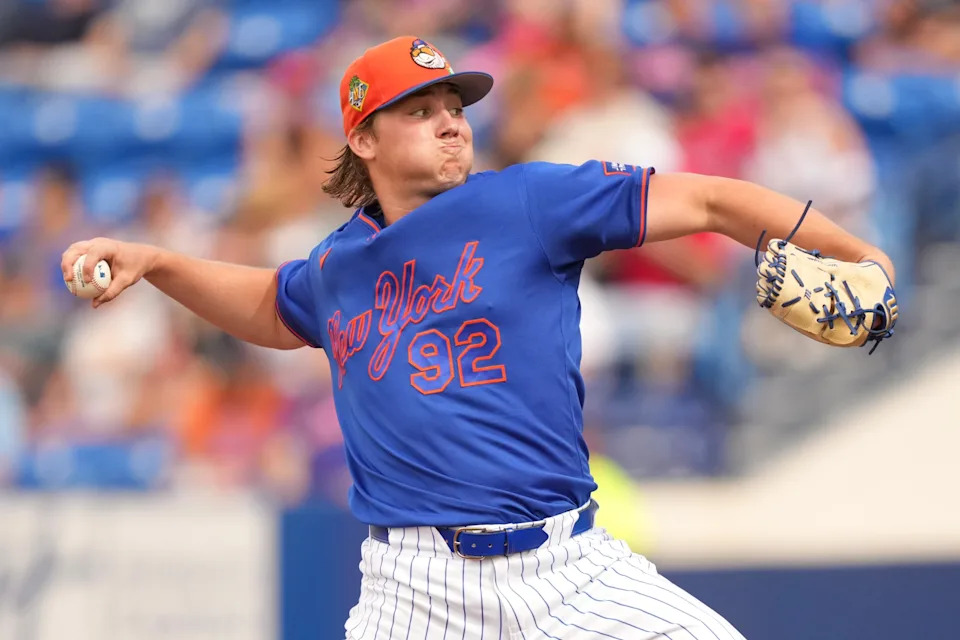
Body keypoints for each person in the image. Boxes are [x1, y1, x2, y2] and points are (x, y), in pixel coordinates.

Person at [62, 36, 895, 639]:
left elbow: (711, 201)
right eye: (420, 112)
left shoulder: (529, 202)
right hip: (411, 590)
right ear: (363, 139)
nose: (452, 123)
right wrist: (158, 261)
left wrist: (857, 253)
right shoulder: (340, 265)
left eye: (455, 108)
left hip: (570, 571)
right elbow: (273, 312)